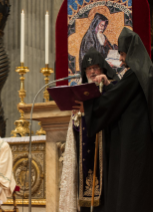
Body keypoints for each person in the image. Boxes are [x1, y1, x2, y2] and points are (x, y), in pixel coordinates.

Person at [74, 28, 153, 212]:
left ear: (131, 52)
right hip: (139, 139)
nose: (122, 59)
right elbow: (121, 95)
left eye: (124, 54)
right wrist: (109, 85)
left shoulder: (134, 74)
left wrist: (88, 104)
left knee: (131, 189)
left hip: (132, 143)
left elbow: (114, 100)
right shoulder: (145, 71)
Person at [59, 47, 119, 212]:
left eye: (95, 68)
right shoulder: (80, 91)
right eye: (89, 69)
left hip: (105, 150)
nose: (92, 71)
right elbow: (76, 129)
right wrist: (77, 118)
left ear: (102, 69)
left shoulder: (111, 88)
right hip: (84, 153)